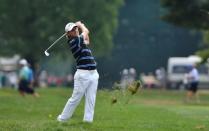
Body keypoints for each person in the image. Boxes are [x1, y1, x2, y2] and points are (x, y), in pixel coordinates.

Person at [57, 21, 99, 123]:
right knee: (75, 98)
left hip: (93, 74)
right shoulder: (73, 41)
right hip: (82, 75)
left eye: (75, 28)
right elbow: (86, 31)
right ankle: (62, 119)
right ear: (68, 34)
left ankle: (88, 121)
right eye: (72, 29)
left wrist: (80, 28)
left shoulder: (79, 40)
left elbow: (87, 39)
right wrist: (81, 25)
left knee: (91, 99)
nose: (75, 30)